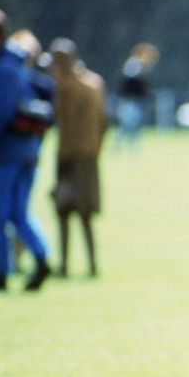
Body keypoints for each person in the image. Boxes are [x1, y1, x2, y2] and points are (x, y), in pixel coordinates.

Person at [0, 14, 52, 291]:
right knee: (18, 213)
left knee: (2, 213)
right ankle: (41, 257)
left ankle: (2, 272)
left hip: (8, 152)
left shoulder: (4, 69)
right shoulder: (16, 65)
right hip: (27, 149)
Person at [48, 38, 108, 277]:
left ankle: (63, 265)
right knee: (85, 214)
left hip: (70, 155)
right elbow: (104, 122)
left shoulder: (66, 87)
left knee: (64, 210)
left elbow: (63, 122)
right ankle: (92, 265)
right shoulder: (95, 83)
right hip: (90, 155)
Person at [114, 42, 158, 153]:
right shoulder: (134, 64)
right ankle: (125, 148)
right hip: (130, 101)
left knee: (130, 126)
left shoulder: (140, 66)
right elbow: (130, 81)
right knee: (128, 126)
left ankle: (124, 148)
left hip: (136, 101)